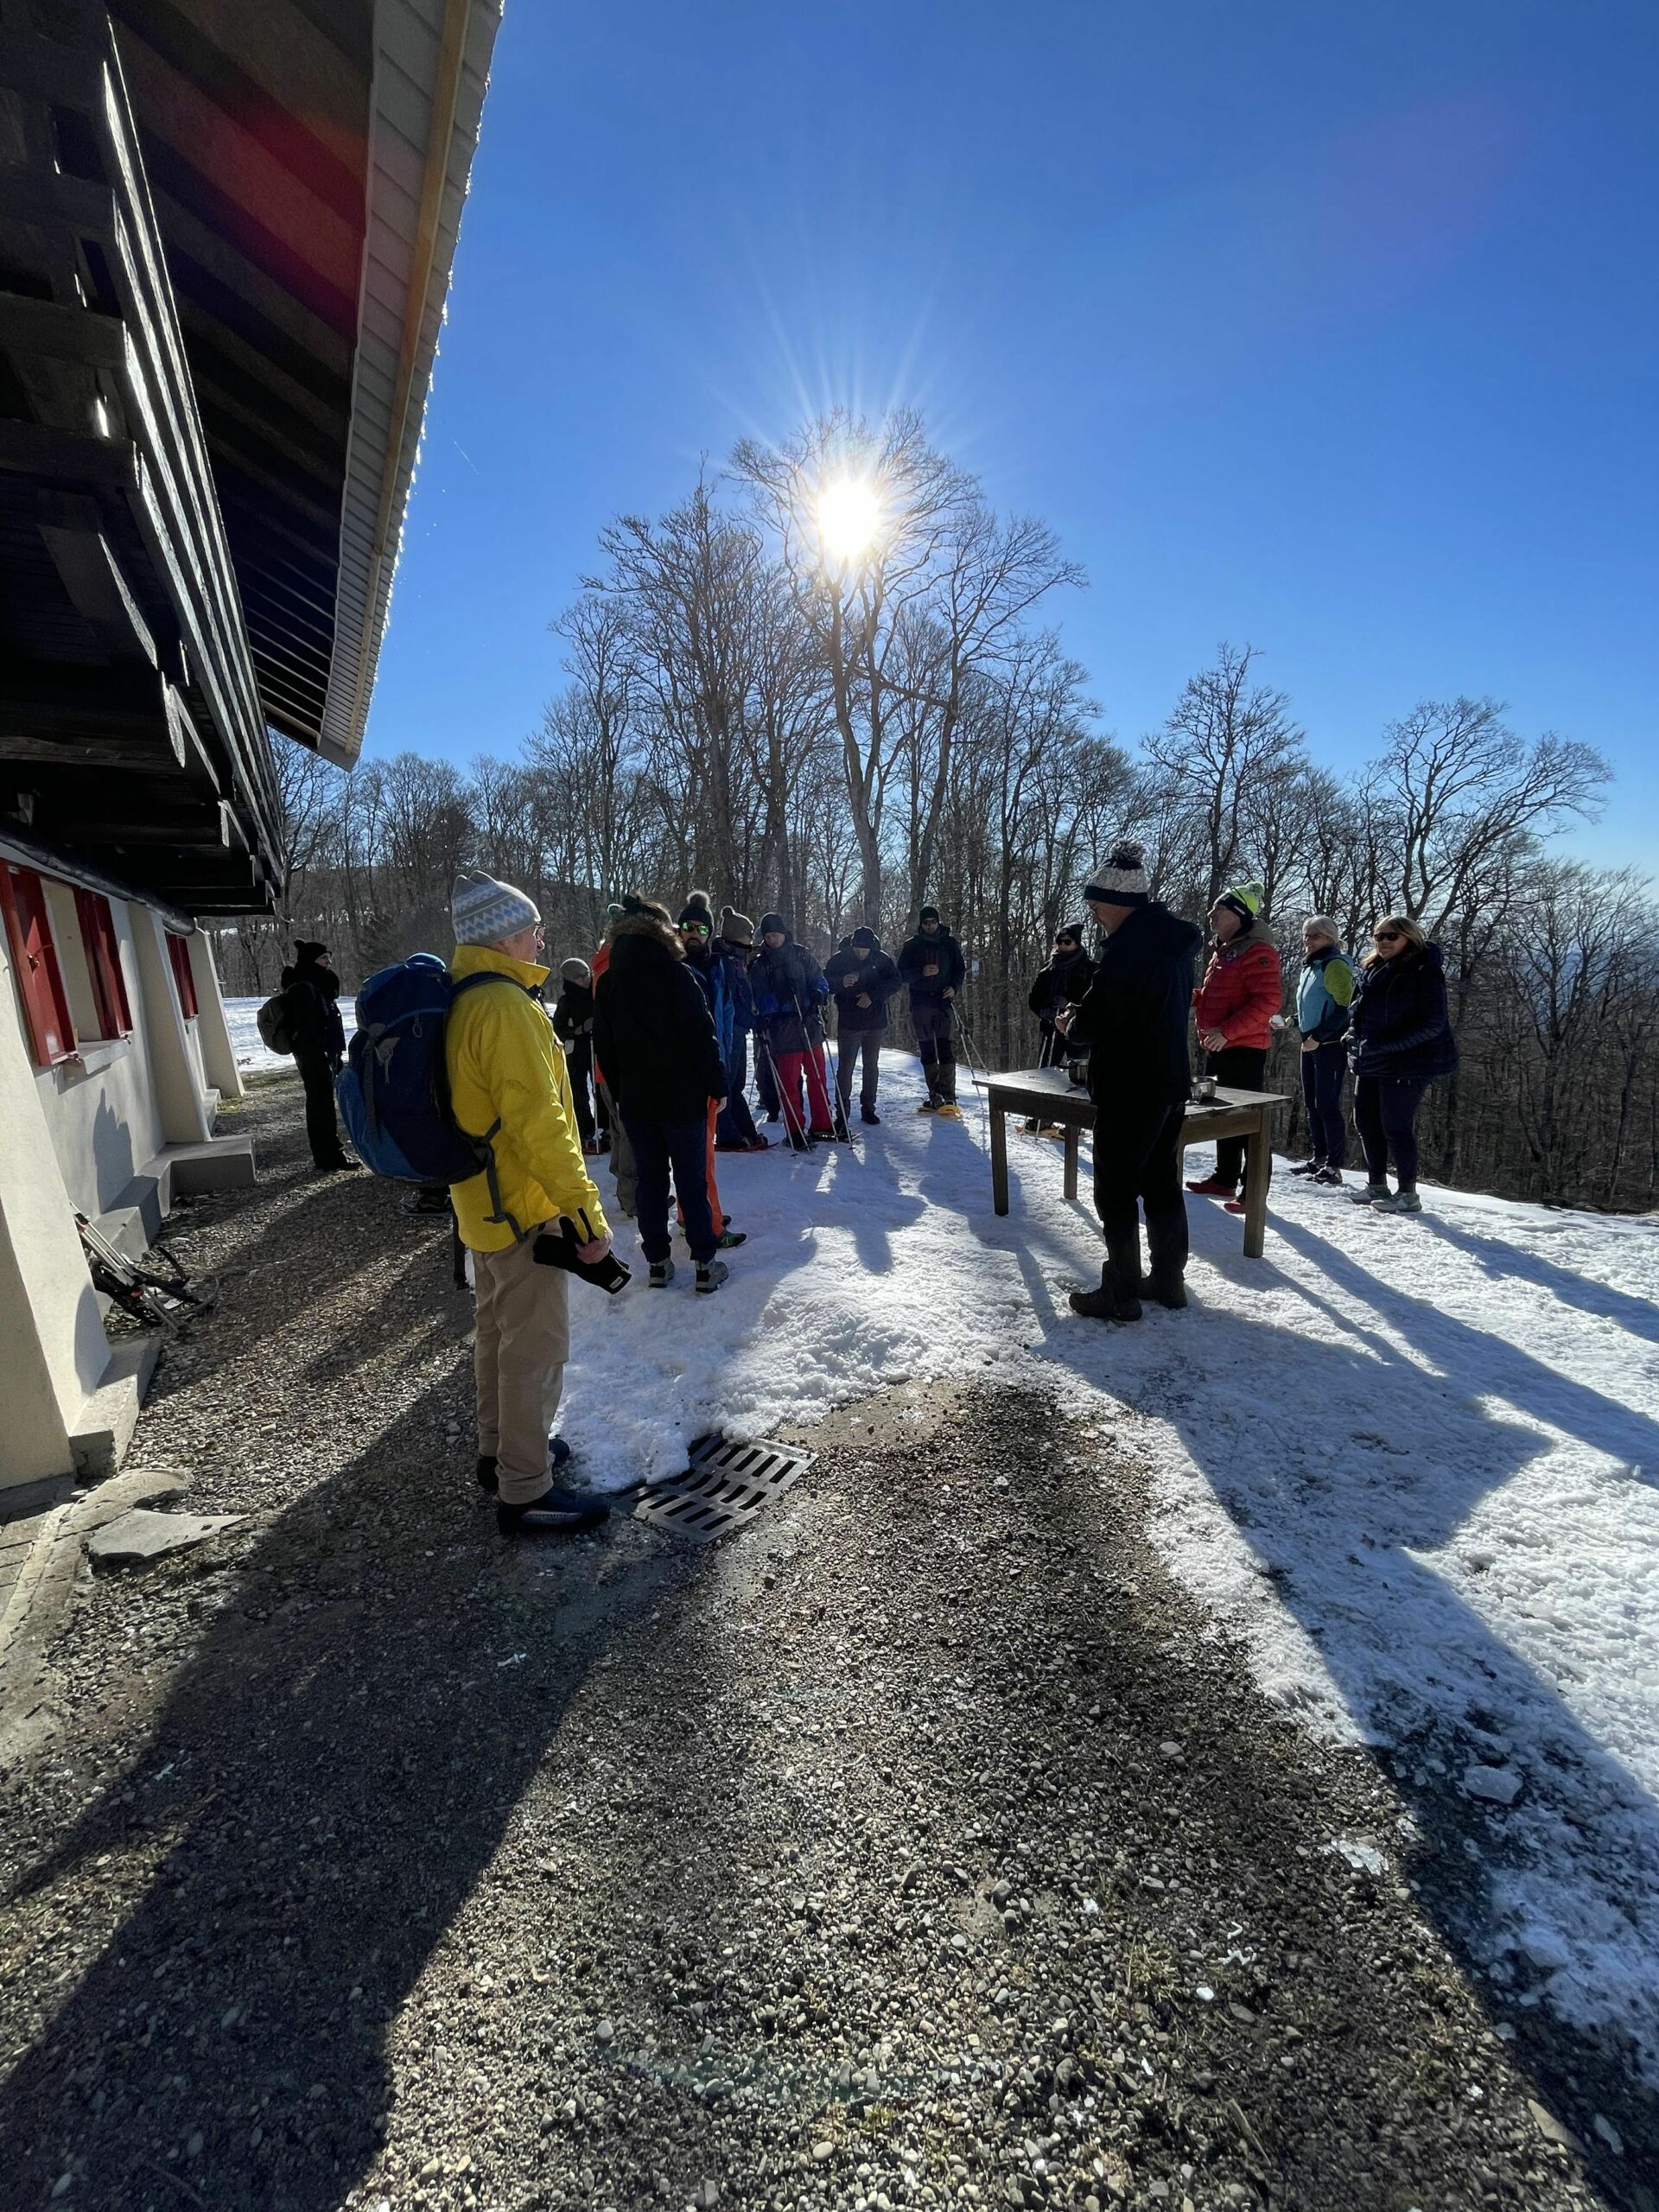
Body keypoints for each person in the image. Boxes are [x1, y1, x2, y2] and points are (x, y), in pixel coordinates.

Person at [445, 871, 612, 1537]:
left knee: (496, 1335)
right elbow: (542, 1127)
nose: (541, 939)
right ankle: (525, 1489)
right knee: (534, 1350)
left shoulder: (467, 996)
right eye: (532, 930)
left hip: (481, 1205)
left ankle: (503, 1453)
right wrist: (585, 1216)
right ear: (505, 939)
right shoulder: (508, 1009)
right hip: (521, 1208)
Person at [1059, 845, 1203, 1322]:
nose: (1095, 916)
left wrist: (1071, 1025)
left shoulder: (1128, 951)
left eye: (1096, 907)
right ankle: (1168, 1279)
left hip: (1130, 1085)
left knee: (1115, 1188)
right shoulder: (1172, 945)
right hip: (1170, 1081)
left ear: (1117, 904)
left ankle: (1120, 1292)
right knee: (1161, 1183)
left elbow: (1098, 1019)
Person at [593, 896, 731, 1291]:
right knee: (691, 1182)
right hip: (682, 1099)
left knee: (650, 1183)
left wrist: (622, 1091)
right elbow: (701, 1037)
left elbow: (605, 1046)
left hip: (637, 1100)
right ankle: (704, 1263)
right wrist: (717, 1085)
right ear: (662, 932)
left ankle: (657, 1261)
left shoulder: (611, 981)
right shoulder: (676, 975)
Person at [1345, 915, 1458, 1215]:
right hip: (1372, 1058)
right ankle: (1376, 1185)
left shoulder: (1423, 971)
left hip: (1409, 1063)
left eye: (1391, 936)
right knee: (1365, 1121)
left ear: (1410, 937)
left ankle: (1408, 1194)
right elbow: (1357, 1013)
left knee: (1395, 1125)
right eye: (1378, 936)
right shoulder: (1372, 970)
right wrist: (1352, 1037)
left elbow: (1433, 1024)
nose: (1383, 941)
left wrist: (1387, 1045)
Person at [1185, 882, 1282, 1214]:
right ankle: (1224, 1178)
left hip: (1244, 1050)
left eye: (1219, 909)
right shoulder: (1225, 951)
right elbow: (1216, 996)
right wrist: (1189, 996)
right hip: (1219, 1047)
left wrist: (1227, 1032)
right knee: (1223, 1113)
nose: (1211, 914)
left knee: (1249, 1120)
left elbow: (1268, 1001)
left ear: (1239, 915)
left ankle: (1253, 1191)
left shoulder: (1257, 951)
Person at [677, 893, 745, 1247]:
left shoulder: (717, 966)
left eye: (701, 929)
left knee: (701, 1153)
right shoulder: (674, 967)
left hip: (712, 1068)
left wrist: (724, 1060)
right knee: (700, 1157)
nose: (694, 934)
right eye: (687, 927)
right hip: (689, 1074)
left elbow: (727, 1012)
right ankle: (710, 1225)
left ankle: (690, 1214)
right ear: (678, 930)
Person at [749, 913, 836, 1149]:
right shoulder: (761, 965)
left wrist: (819, 993)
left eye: (775, 935)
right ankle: (795, 1128)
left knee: (818, 1076)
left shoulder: (801, 954)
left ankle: (822, 1123)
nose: (772, 940)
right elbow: (759, 1001)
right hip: (783, 1029)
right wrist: (778, 997)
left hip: (809, 1023)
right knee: (789, 1082)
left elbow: (819, 978)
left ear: (784, 933)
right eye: (768, 936)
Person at [1288, 917, 1355, 1186]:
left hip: (1329, 1045)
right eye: (1306, 935)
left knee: (1327, 1105)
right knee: (1312, 1104)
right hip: (1310, 1044)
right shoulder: (1311, 965)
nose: (1308, 940)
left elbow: (1344, 1009)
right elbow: (1314, 1006)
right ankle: (1318, 1158)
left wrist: (1318, 1036)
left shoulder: (1334, 964)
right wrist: (1292, 1021)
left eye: (1315, 936)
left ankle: (1334, 1166)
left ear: (1330, 938)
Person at [280, 938, 355, 1172]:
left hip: (322, 1053)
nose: (328, 962)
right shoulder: (304, 988)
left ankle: (329, 1155)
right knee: (321, 1106)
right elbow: (307, 1027)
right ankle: (329, 1157)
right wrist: (321, 1053)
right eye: (323, 958)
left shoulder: (316, 984)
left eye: (328, 957)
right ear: (311, 961)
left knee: (322, 1104)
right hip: (315, 1055)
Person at [824, 925, 901, 1124]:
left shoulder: (882, 959)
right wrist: (841, 982)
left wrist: (873, 995)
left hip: (875, 1021)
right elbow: (824, 982)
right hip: (849, 1022)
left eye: (864, 950)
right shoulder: (839, 959)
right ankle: (842, 1112)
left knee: (871, 1066)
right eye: (857, 949)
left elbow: (895, 982)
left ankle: (868, 1108)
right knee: (845, 1067)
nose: (860, 953)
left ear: (871, 947)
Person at [898, 904, 967, 1117]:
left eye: (933, 922)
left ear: (938, 922)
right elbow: (901, 974)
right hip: (920, 1002)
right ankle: (934, 1093)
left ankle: (949, 1095)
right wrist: (921, 972)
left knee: (945, 1048)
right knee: (927, 1050)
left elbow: (960, 969)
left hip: (943, 1001)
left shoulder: (949, 943)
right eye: (926, 923)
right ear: (921, 924)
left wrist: (954, 988)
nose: (930, 926)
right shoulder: (911, 945)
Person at [588, 905, 635, 1217]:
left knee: (619, 1130)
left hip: (604, 1066)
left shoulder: (601, 961)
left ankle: (623, 1184)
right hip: (618, 1064)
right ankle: (632, 1196)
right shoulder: (615, 966)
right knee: (629, 1132)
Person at [1026, 922, 1095, 1131]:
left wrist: (1071, 1004)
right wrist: (1043, 1011)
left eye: (1067, 941)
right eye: (1059, 941)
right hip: (1051, 1028)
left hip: (1078, 1030)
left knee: (1079, 1076)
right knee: (1046, 1073)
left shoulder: (1090, 969)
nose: (1062, 946)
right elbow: (1034, 999)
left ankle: (1076, 1123)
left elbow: (1096, 1001)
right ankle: (1042, 1118)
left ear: (1077, 943)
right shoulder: (1049, 968)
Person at [713, 908, 768, 1152]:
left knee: (736, 1084)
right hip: (730, 1031)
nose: (750, 939)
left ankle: (745, 1130)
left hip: (739, 1028)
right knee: (728, 1084)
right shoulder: (725, 962)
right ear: (736, 936)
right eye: (748, 934)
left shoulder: (736, 959)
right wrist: (752, 1020)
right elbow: (733, 1001)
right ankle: (728, 1134)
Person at [550, 956, 605, 1154]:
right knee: (579, 1092)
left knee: (600, 1089)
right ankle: (584, 1131)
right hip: (576, 1052)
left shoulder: (594, 995)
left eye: (587, 974)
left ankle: (604, 1127)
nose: (586, 979)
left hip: (595, 1048)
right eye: (580, 976)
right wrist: (579, 1030)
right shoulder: (566, 1002)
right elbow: (558, 1029)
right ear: (571, 979)